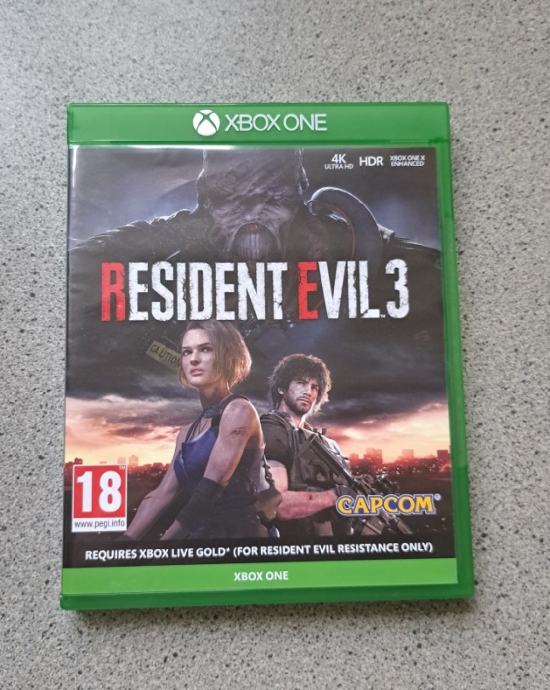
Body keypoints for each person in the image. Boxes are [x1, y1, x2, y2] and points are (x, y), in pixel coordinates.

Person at [123, 320, 269, 540]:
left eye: (206, 349)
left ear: (228, 355)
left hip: (240, 542)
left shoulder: (239, 411)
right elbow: (161, 495)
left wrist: (162, 549)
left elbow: (209, 492)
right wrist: (124, 543)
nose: (193, 359)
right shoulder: (186, 433)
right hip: (200, 539)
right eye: (186, 352)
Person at [261, 354, 349, 539]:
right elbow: (277, 505)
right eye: (301, 383)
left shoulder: (323, 443)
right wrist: (337, 495)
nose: (308, 391)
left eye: (314, 387)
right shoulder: (272, 429)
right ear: (281, 388)